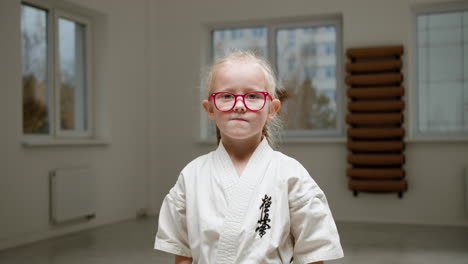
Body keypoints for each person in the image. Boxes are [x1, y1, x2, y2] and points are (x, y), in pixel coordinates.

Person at [154, 51, 344, 264]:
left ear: (272, 109)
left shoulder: (291, 174)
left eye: (253, 96)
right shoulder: (191, 176)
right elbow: (183, 254)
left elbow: (313, 254)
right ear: (209, 108)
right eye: (226, 96)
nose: (239, 105)